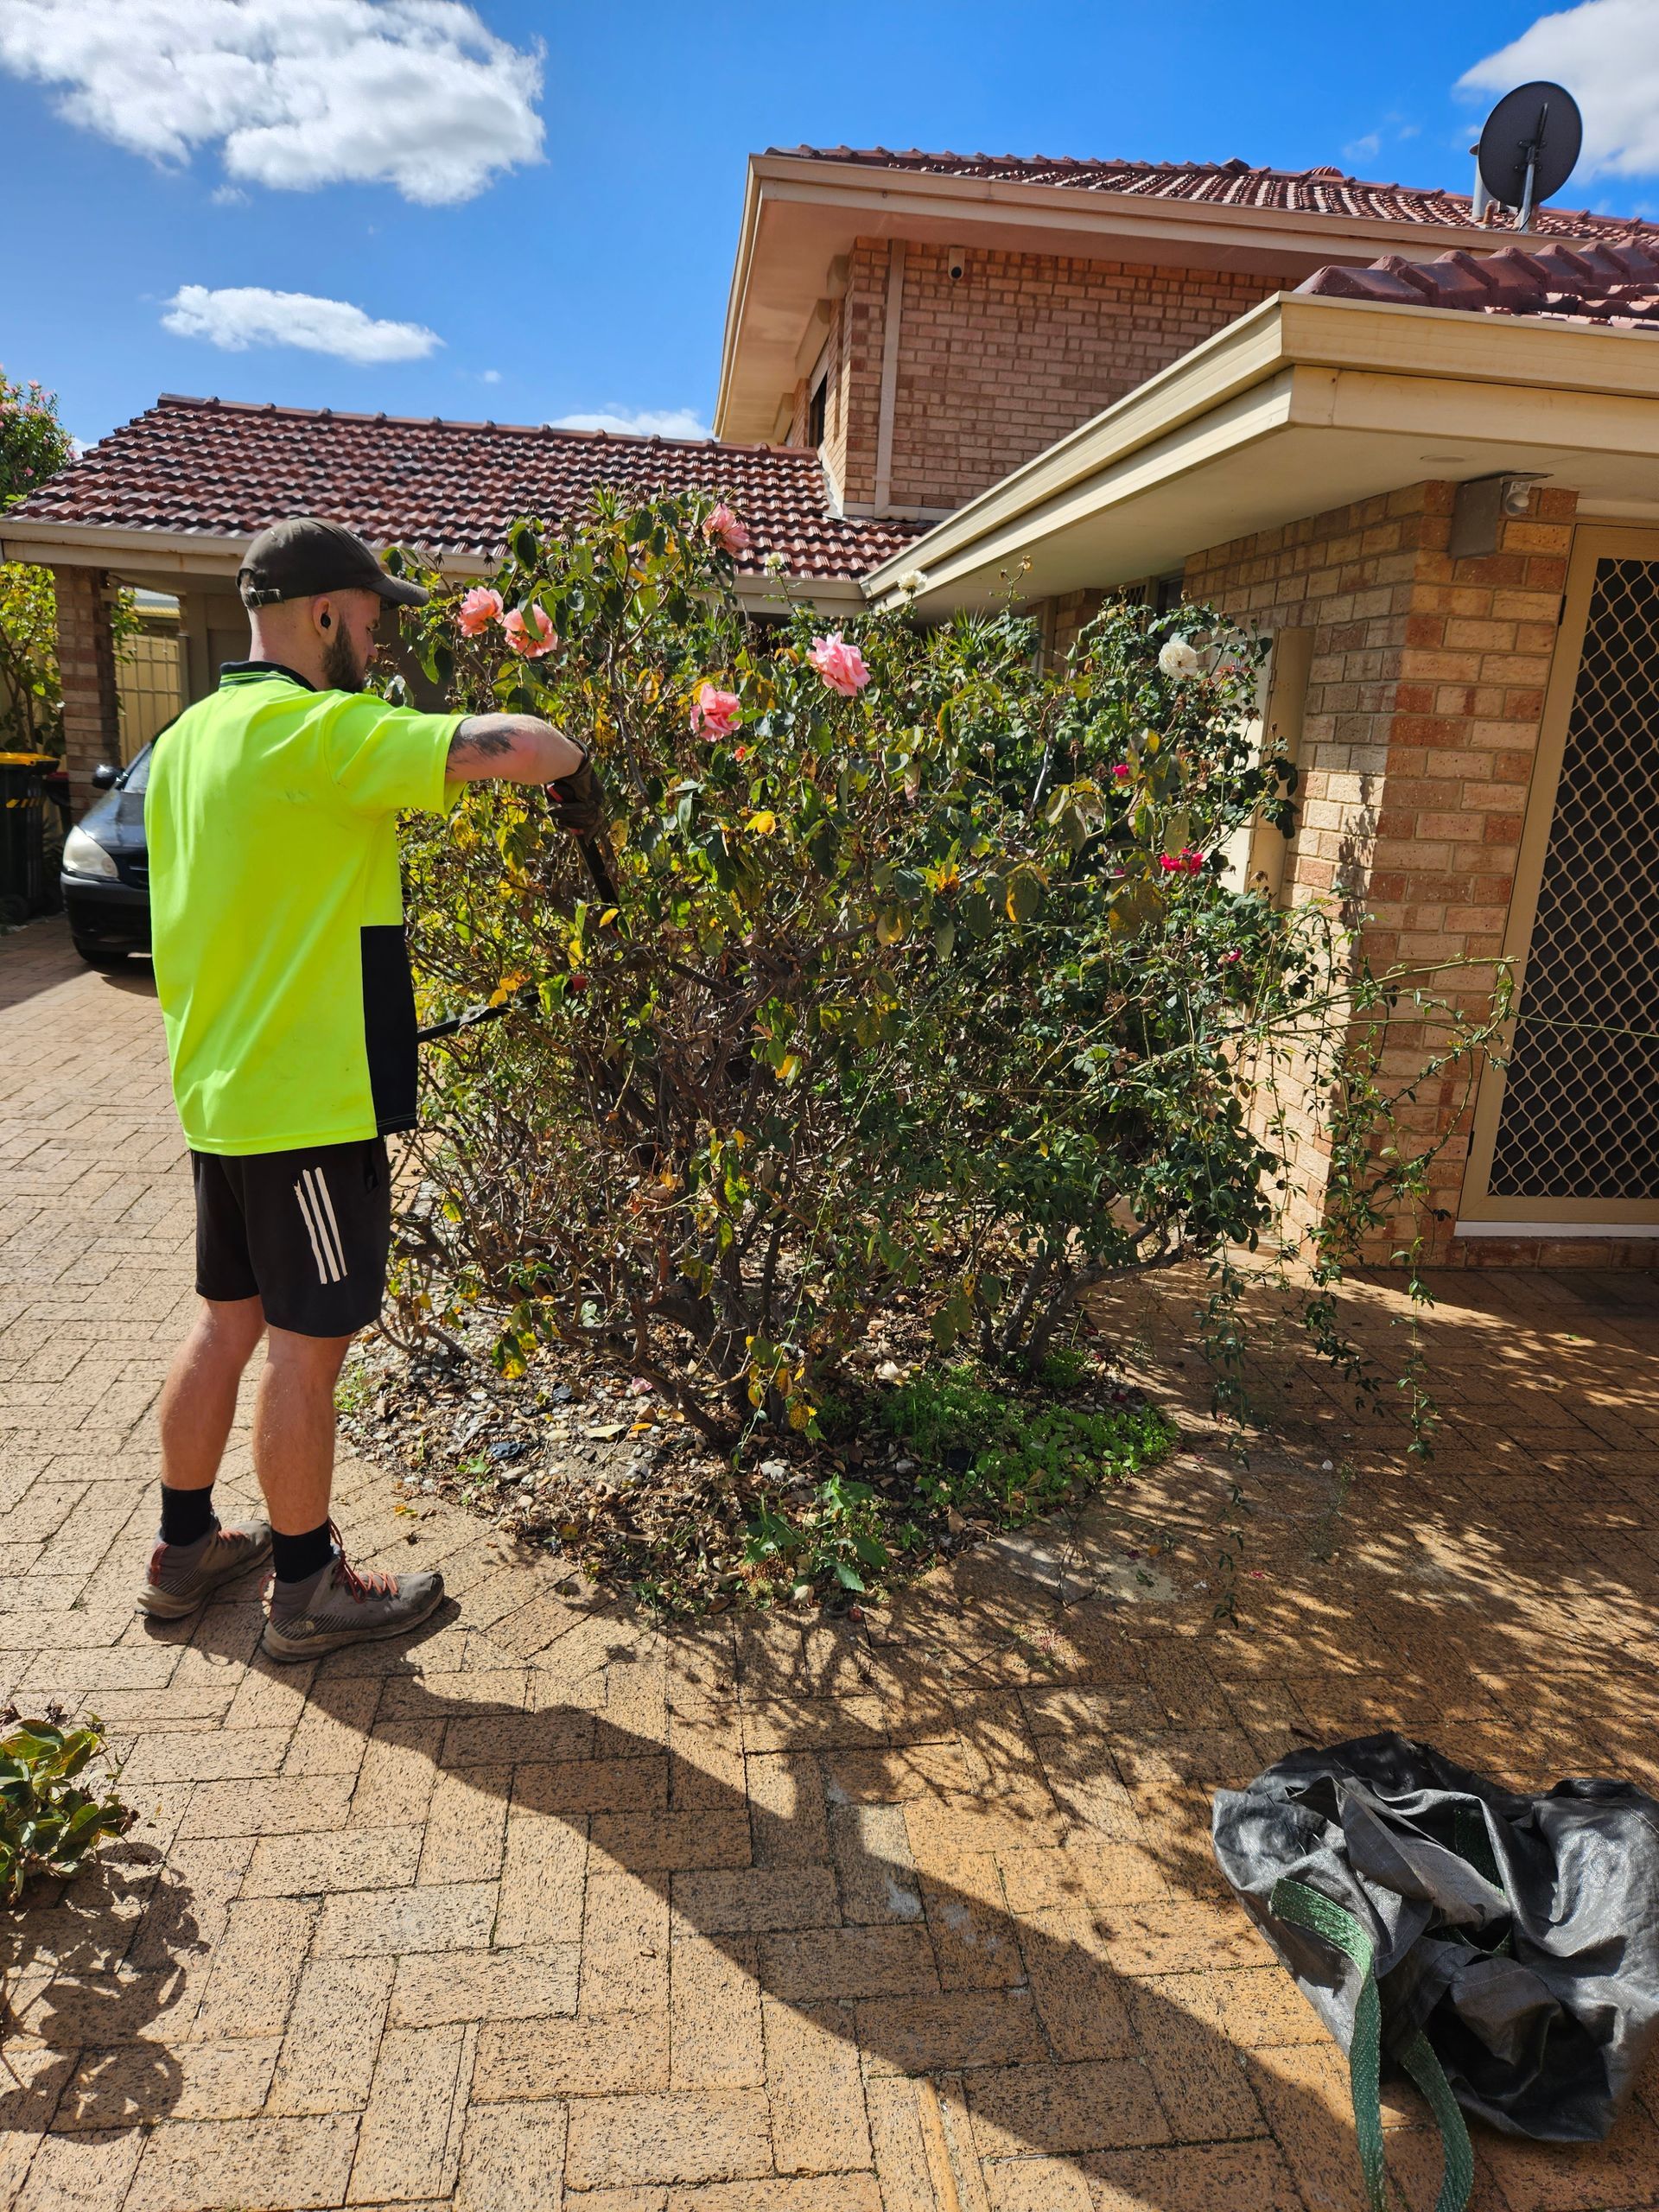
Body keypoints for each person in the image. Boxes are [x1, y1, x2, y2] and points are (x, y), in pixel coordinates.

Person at [135, 516, 600, 1662]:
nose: (381, 639)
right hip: (308, 1106)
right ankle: (305, 1591)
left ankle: (182, 1553)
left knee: (227, 1323)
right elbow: (520, 744)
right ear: (327, 614)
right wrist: (583, 774)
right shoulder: (314, 729)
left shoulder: (191, 737)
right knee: (306, 1349)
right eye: (373, 617)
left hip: (223, 1094)